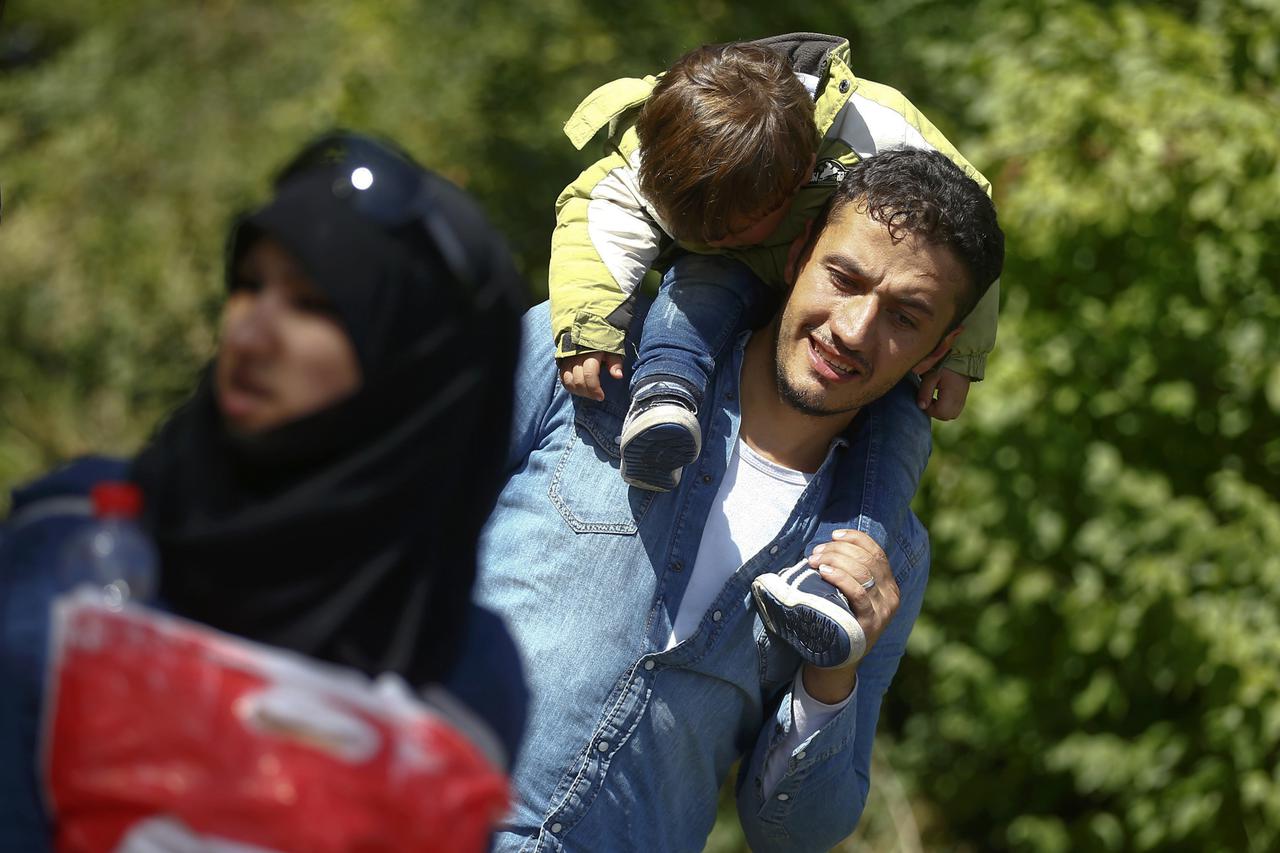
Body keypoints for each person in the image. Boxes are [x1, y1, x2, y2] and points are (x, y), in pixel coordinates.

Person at [0, 131, 529, 850]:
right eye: (248, 285)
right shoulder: (78, 534)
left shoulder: (461, 667)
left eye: (312, 304)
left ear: (416, 368)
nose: (251, 333)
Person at [475, 147, 1004, 851]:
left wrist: (831, 679)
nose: (853, 330)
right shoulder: (591, 351)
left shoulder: (888, 560)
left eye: (906, 317)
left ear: (940, 349)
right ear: (797, 258)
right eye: (843, 278)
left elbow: (793, 833)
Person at [548, 34, 999, 673]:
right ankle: (665, 399)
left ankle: (836, 582)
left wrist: (961, 358)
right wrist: (586, 326)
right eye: (682, 219)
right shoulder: (662, 137)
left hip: (827, 303)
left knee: (900, 420)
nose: (704, 233)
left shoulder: (874, 127)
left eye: (730, 224)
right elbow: (599, 222)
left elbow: (970, 230)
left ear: (792, 181)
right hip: (726, 280)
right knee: (699, 275)